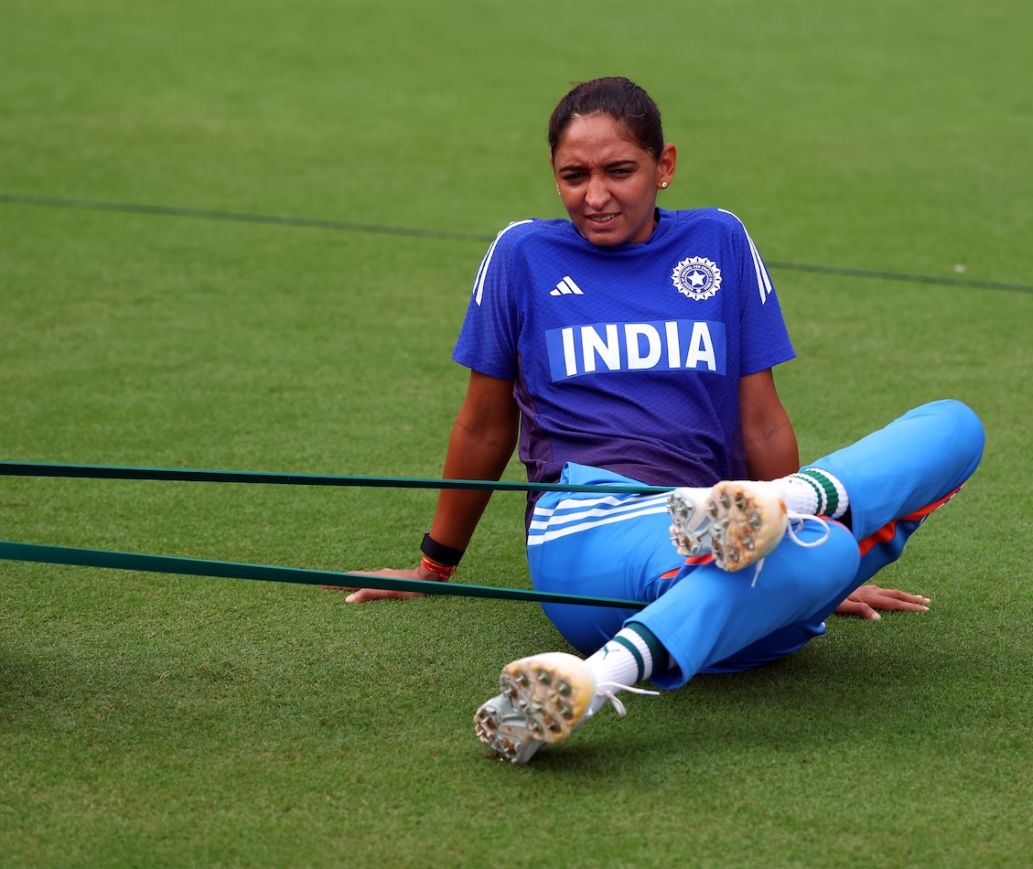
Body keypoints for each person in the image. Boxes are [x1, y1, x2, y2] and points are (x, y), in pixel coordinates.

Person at [344, 76, 985, 764]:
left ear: (664, 166)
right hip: (588, 522)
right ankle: (779, 539)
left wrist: (833, 573)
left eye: (619, 171)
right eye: (573, 175)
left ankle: (610, 665)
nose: (596, 195)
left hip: (713, 521)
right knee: (824, 551)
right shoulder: (523, 255)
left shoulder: (719, 239)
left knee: (954, 428)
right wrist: (434, 564)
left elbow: (761, 420)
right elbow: (483, 425)